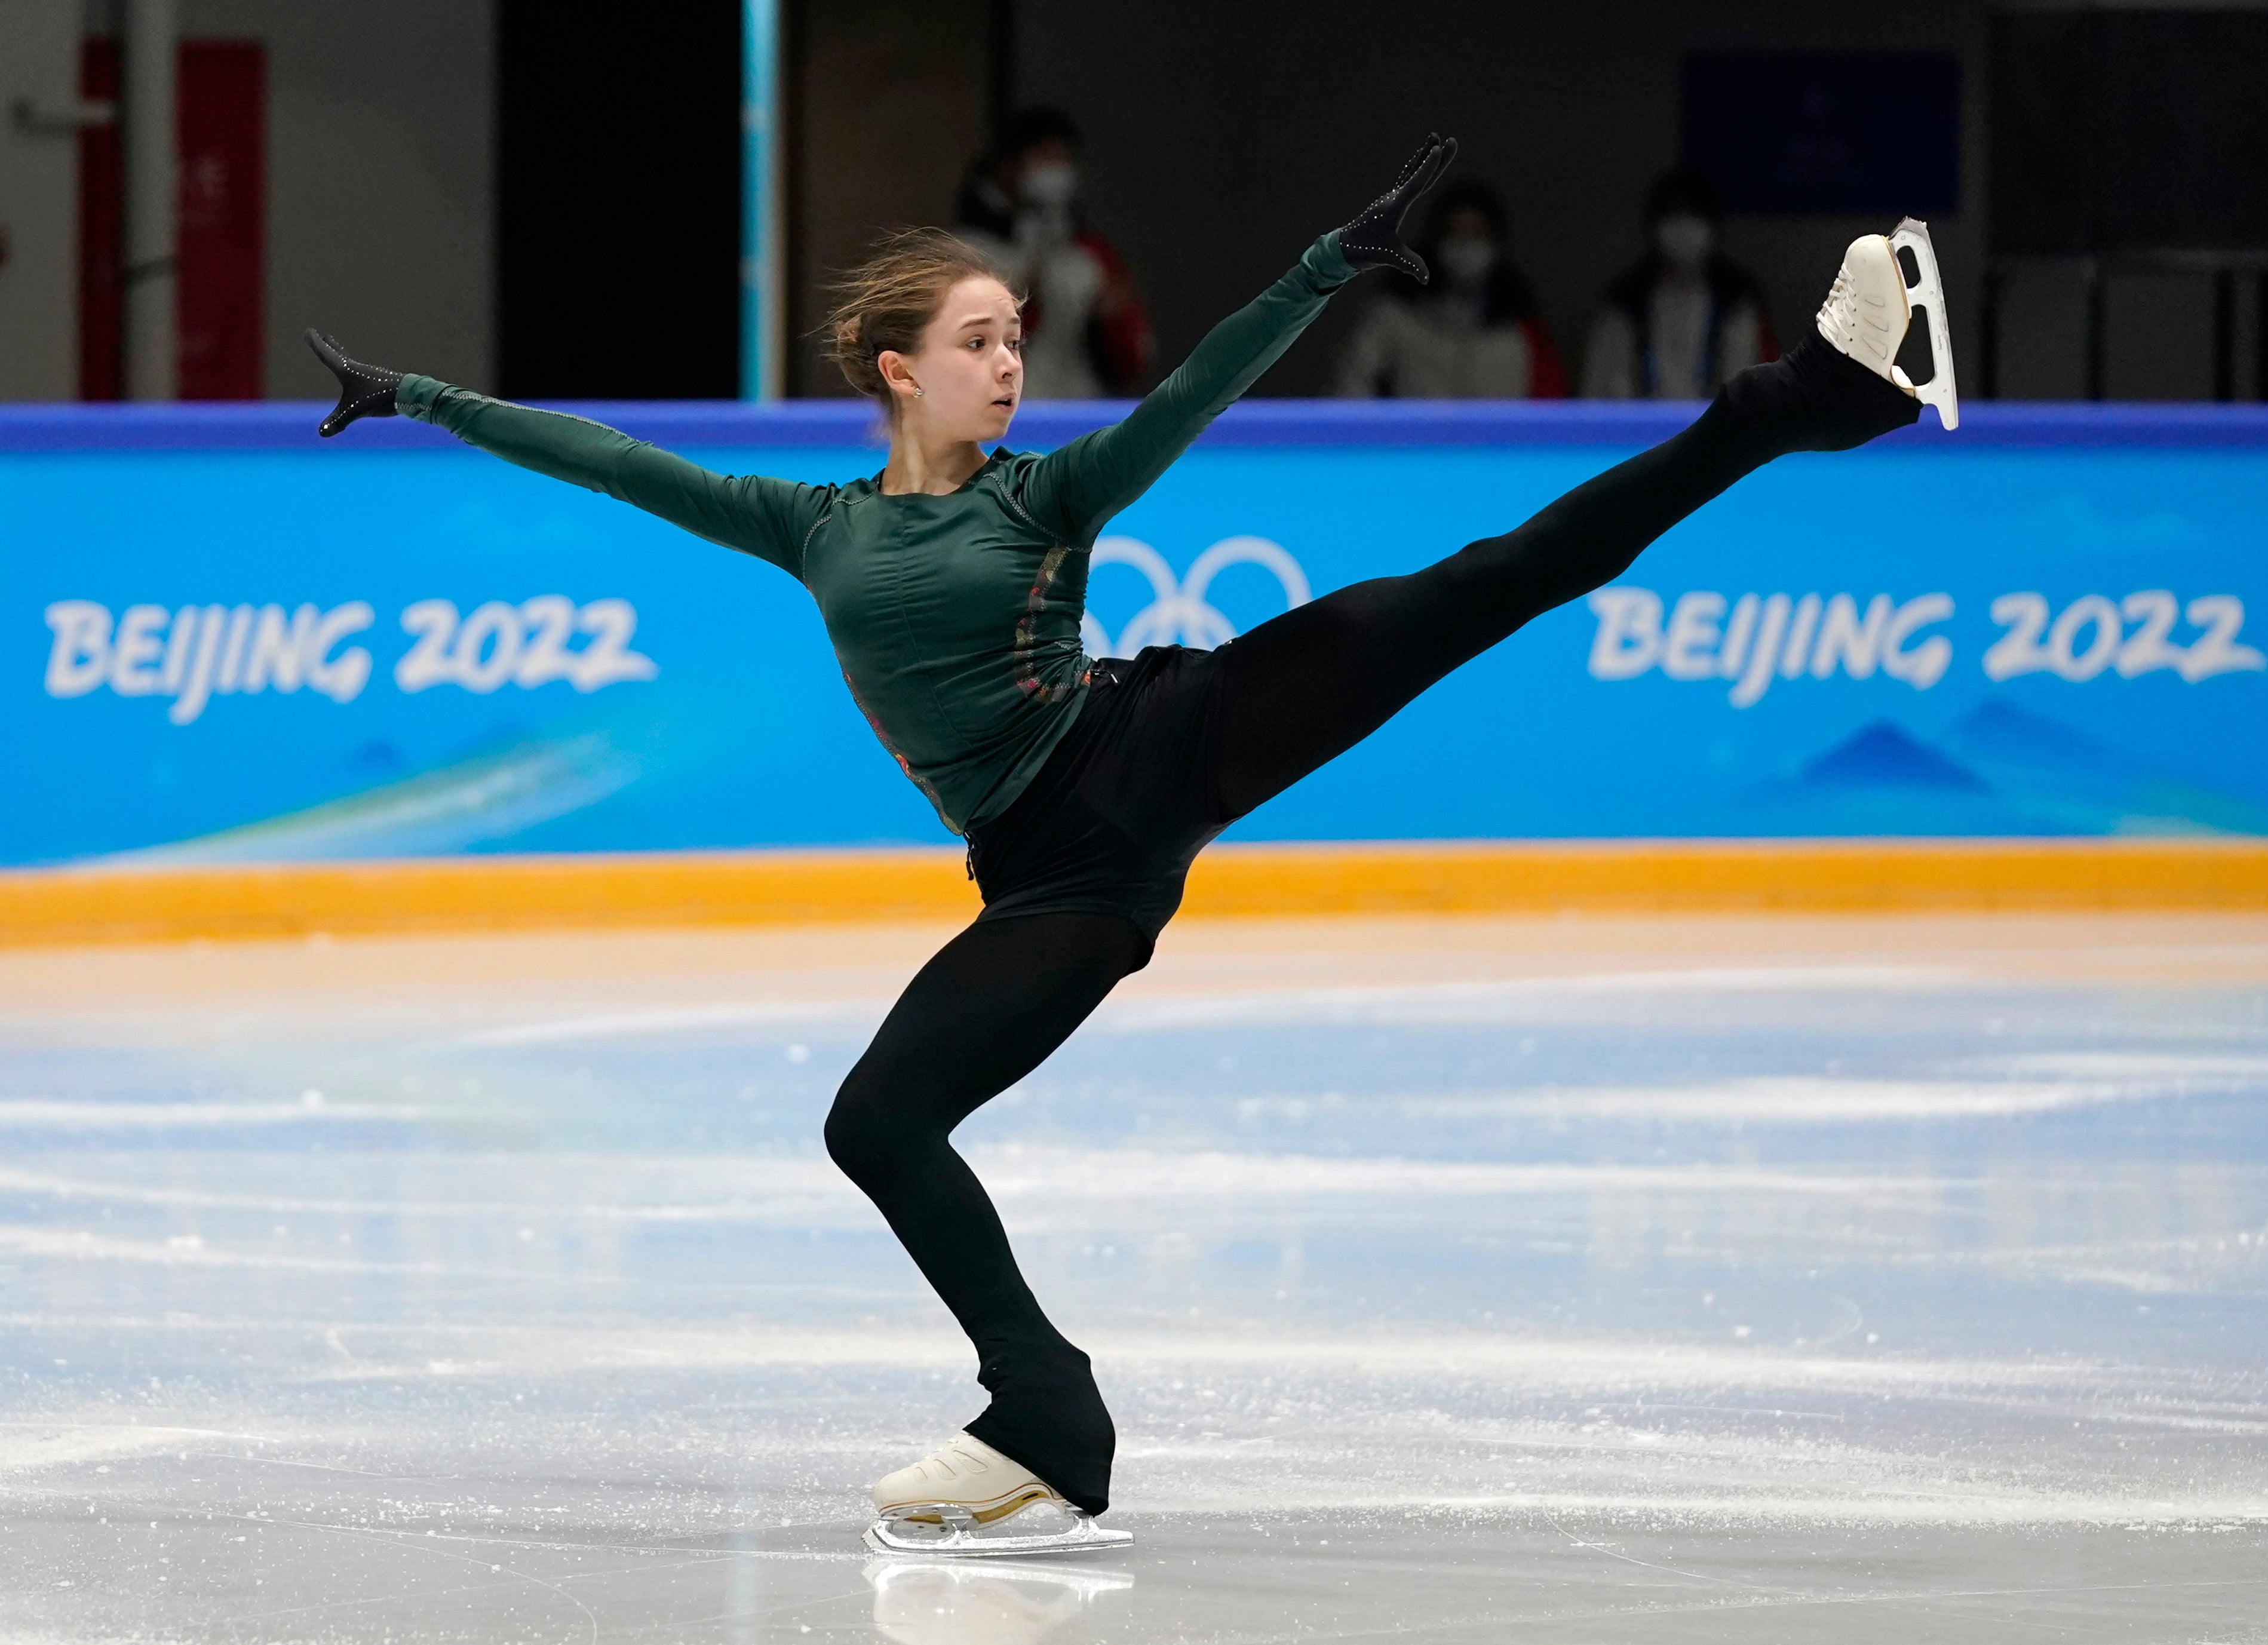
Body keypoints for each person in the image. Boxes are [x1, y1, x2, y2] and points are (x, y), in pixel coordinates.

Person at [303, 136, 1948, 1552]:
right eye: (977, 342)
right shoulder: (808, 526)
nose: (1010, 364)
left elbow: (1189, 393)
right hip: (1064, 873)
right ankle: (1052, 1416)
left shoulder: (1048, 499)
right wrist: (417, 397)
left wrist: (1318, 268)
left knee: (1480, 586)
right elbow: (612, 460)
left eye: (1017, 337)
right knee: (877, 1120)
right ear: (897, 369)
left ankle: (1809, 394)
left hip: (1169, 735)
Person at [952, 107, 1152, 399]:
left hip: (1081, 407)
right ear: (1007, 165)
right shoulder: (967, 251)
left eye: (1064, 158)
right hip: (1002, 408)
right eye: (1044, 155)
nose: (1056, 168)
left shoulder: (1092, 255)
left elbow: (1133, 356)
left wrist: (1112, 319)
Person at [1331, 179, 1566, 398]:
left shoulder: (1523, 328)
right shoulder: (1394, 317)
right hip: (1418, 442)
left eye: (1477, 234)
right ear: (1435, 240)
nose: (1466, 246)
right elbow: (1352, 389)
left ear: (1497, 243)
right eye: (1455, 234)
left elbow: (1549, 404)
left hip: (1498, 443)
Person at [1581, 167, 1777, 400]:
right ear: (1654, 227)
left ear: (1713, 227)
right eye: (1674, 217)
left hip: (1719, 432)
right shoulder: (1625, 305)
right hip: (1643, 434)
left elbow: (1760, 393)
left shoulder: (1737, 305)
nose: (1684, 230)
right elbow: (1598, 394)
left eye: (1694, 217)